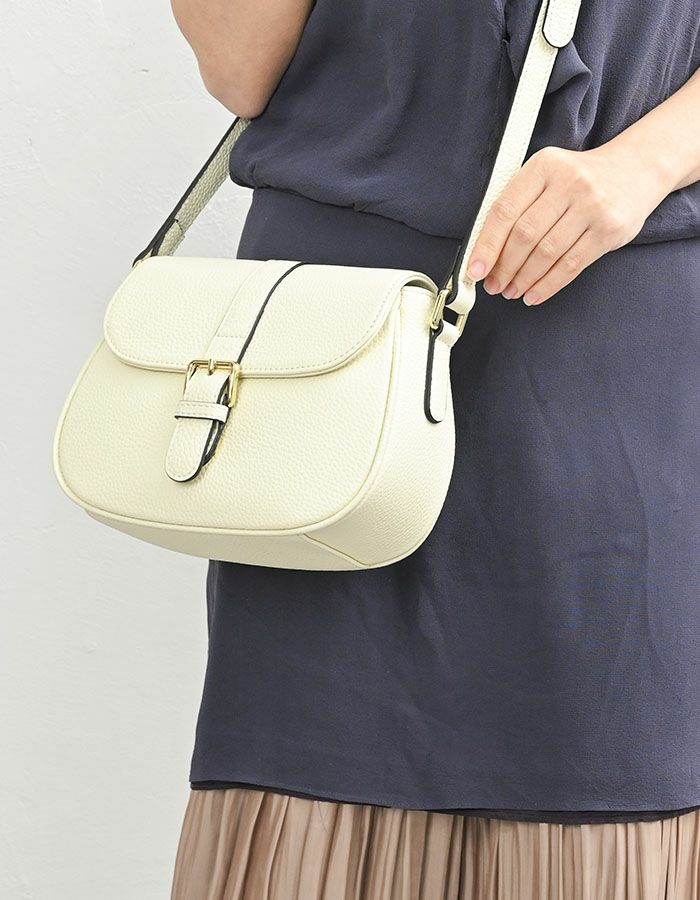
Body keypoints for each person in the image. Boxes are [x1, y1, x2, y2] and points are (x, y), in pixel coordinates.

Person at [167, 0, 700, 896]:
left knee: (605, 758)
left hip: (609, 320)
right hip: (334, 344)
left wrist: (644, 163)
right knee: (310, 760)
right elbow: (239, 69)